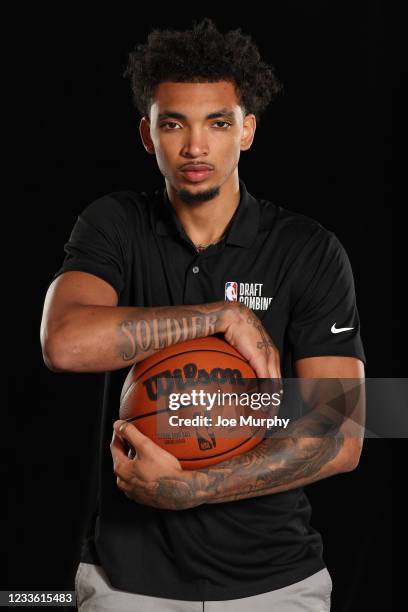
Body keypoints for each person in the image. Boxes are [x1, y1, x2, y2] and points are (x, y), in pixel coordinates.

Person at [40, 18, 366, 612]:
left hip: (277, 582)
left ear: (247, 131)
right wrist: (218, 316)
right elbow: (63, 343)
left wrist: (192, 489)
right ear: (147, 134)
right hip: (126, 582)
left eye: (218, 123)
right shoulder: (113, 224)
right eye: (174, 123)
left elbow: (344, 432)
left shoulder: (309, 248)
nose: (195, 147)